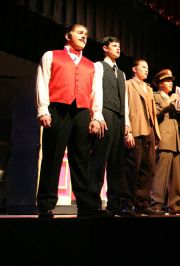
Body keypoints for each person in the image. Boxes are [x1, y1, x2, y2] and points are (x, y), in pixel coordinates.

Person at [36, 24, 103, 218]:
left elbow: (95, 92)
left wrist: (96, 116)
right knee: (53, 155)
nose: (84, 36)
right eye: (80, 32)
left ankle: (86, 204)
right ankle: (46, 204)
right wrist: (43, 109)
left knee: (82, 158)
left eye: (87, 34)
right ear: (68, 35)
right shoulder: (51, 55)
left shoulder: (92, 65)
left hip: (82, 110)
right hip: (58, 108)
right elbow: (42, 82)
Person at [88, 36, 130, 216]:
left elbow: (125, 101)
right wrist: (97, 114)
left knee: (117, 163)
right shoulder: (99, 66)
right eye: (114, 46)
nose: (118, 49)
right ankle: (92, 203)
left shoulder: (121, 73)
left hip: (119, 118)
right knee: (99, 159)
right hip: (105, 113)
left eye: (119, 46)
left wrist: (127, 122)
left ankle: (114, 204)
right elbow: (96, 89)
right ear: (105, 48)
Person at [123, 59, 163, 216]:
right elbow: (125, 109)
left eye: (147, 67)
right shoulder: (127, 85)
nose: (146, 70)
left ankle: (142, 203)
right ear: (134, 69)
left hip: (150, 131)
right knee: (132, 168)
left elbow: (152, 112)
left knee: (148, 169)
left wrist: (156, 135)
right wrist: (128, 131)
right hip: (136, 128)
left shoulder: (148, 88)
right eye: (143, 67)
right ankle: (127, 203)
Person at [150, 69, 180, 215]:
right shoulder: (156, 96)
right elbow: (155, 114)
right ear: (159, 83)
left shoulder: (172, 99)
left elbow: (178, 123)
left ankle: (176, 205)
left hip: (175, 140)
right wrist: (169, 101)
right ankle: (156, 205)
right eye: (167, 80)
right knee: (160, 175)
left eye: (172, 81)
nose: (171, 83)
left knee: (175, 178)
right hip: (164, 139)